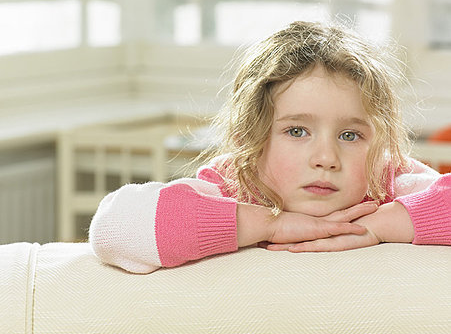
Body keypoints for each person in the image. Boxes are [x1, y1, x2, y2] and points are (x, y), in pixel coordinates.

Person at [89, 21, 451, 273]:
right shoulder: (235, 186)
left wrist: (384, 224)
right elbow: (112, 229)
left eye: (349, 136)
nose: (326, 159)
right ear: (249, 138)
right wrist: (267, 224)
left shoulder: (386, 180)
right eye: (296, 131)